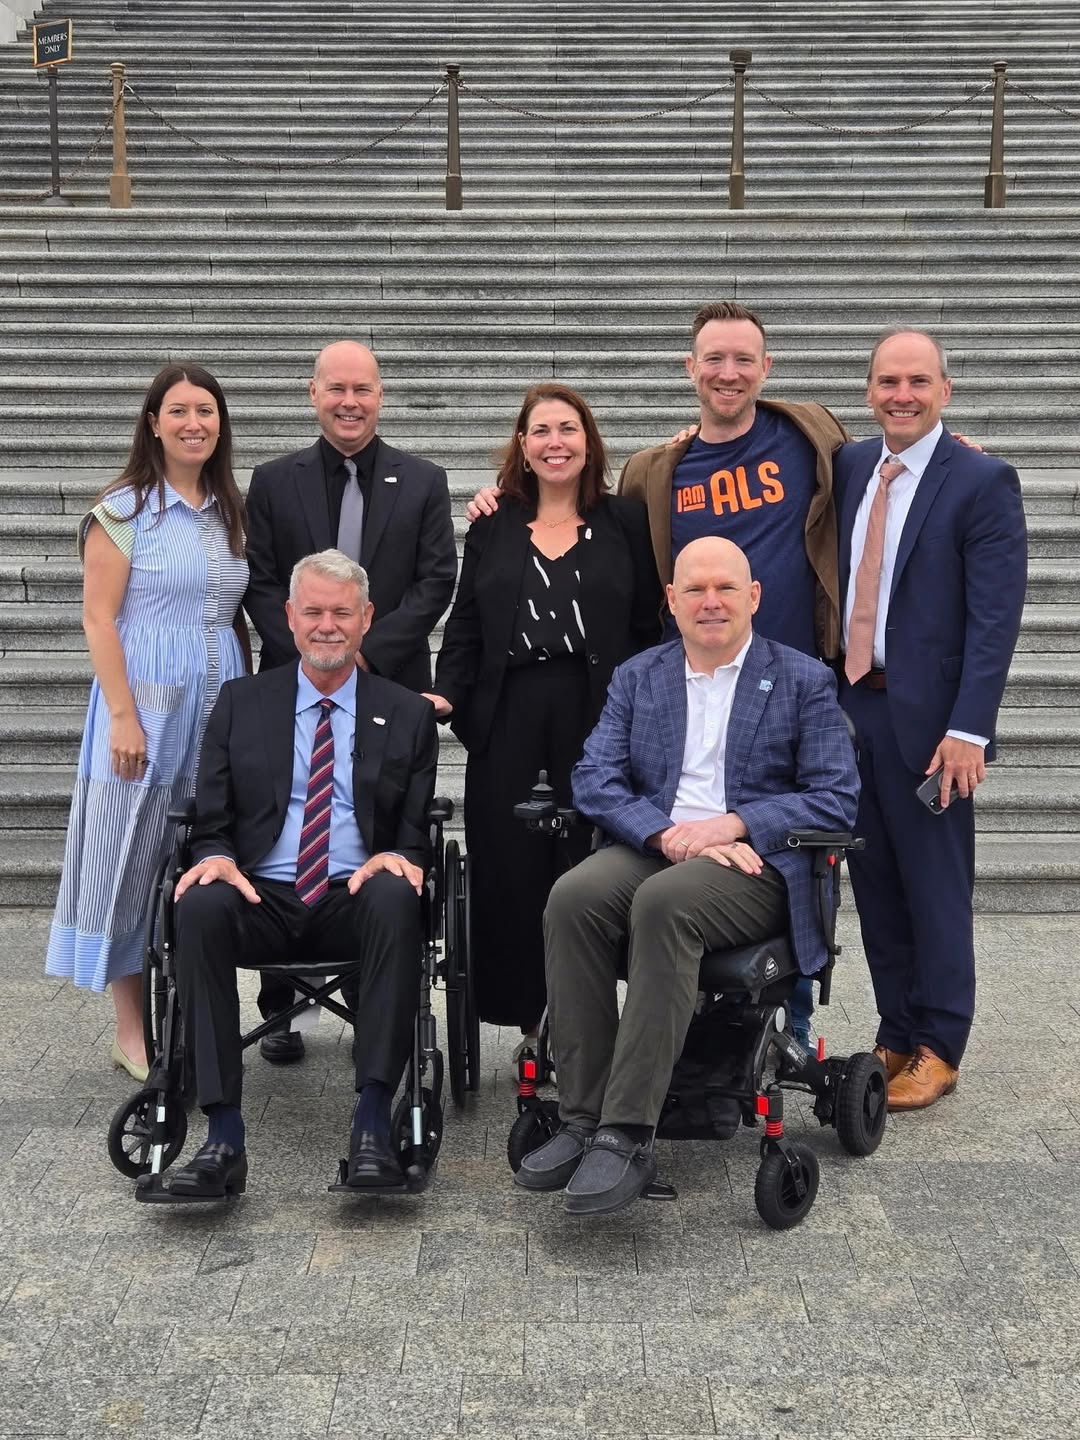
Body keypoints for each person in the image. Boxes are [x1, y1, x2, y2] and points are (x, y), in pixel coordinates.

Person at [515, 536, 859, 1215]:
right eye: (694, 589)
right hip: (660, 844)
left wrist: (731, 825)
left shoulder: (801, 680)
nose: (710, 602)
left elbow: (834, 797)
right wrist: (667, 833)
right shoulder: (641, 676)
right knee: (573, 898)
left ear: (753, 596)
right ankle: (583, 1116)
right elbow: (595, 778)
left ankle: (628, 1133)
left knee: (664, 906)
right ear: (670, 601)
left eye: (725, 588)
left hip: (754, 865)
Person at [166, 550, 438, 1199]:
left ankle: (373, 1125)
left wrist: (401, 858)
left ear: (366, 618)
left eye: (341, 612)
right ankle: (222, 1138)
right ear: (287, 618)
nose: (326, 625)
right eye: (312, 610)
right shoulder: (240, 703)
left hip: (353, 892)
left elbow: (414, 833)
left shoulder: (405, 712)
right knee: (199, 902)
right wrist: (214, 857)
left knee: (398, 893)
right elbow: (210, 817)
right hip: (259, 893)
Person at [427, 384, 661, 1045]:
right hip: (510, 716)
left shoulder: (626, 523)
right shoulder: (493, 524)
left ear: (589, 443)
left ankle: (596, 1018)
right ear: (523, 448)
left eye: (568, 429)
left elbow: (647, 625)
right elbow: (467, 622)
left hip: (601, 716)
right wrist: (449, 691)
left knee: (592, 862)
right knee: (512, 867)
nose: (555, 441)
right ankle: (534, 1023)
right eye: (541, 431)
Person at [243, 339, 456, 1059]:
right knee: (284, 805)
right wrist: (314, 650)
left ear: (381, 394)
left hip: (388, 680)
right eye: (336, 389)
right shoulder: (274, 481)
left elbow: (435, 583)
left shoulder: (422, 480)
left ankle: (374, 983)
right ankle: (280, 999)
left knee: (373, 811)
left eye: (362, 389)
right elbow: (263, 583)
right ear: (312, 394)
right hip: (292, 681)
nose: (349, 402)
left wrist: (361, 651)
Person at [835, 329, 1026, 1112]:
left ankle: (940, 1045)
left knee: (935, 887)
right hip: (854, 709)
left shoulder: (981, 481)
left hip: (936, 724)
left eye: (917, 381)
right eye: (887, 381)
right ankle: (895, 1027)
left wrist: (971, 728)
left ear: (946, 389)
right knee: (875, 882)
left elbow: (995, 618)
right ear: (869, 389)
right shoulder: (850, 465)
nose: (901, 395)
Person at [45, 364, 249, 1083]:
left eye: (207, 411)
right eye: (179, 411)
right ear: (154, 423)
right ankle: (131, 1029)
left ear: (220, 424)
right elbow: (98, 617)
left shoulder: (229, 509)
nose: (194, 423)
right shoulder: (124, 510)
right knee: (130, 856)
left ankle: (201, 1007)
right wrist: (124, 716)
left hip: (220, 700)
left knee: (208, 850)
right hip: (147, 704)